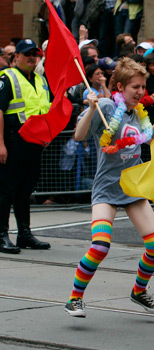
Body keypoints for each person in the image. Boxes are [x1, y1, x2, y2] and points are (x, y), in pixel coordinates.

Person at [64, 57, 154, 317]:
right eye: (135, 86)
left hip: (133, 188)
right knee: (100, 246)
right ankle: (75, 298)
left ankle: (138, 291)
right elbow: (79, 135)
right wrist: (90, 108)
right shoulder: (107, 106)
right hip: (106, 190)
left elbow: (145, 140)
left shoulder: (137, 113)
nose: (141, 92)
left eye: (143, 86)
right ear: (121, 87)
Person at [0, 39, 51, 254]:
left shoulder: (40, 80)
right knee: (6, 190)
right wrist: (0, 144)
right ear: (16, 57)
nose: (32, 57)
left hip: (34, 143)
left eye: (35, 54)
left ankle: (24, 234)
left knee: (25, 190)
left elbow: (46, 109)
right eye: (27, 53)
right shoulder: (7, 78)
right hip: (13, 140)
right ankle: (2, 235)